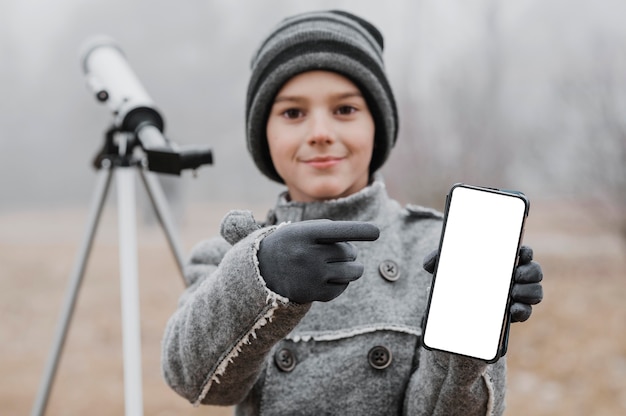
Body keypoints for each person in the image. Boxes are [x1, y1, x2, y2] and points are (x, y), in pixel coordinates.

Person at [161, 10, 543, 415]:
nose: (320, 132)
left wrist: (469, 345)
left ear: (377, 126)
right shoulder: (230, 255)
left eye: (345, 110)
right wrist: (258, 279)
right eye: (293, 113)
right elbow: (194, 382)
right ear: (263, 134)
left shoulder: (435, 251)